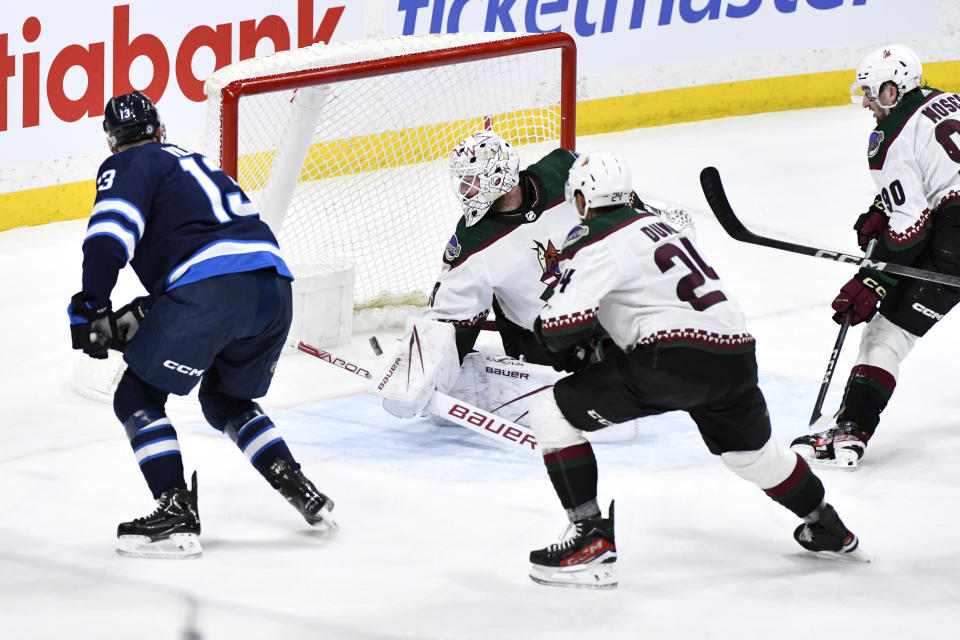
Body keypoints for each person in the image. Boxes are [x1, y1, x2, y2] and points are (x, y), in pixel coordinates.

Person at [525, 152, 867, 589]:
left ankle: (588, 538)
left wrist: (548, 334)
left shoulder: (594, 238)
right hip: (735, 358)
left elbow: (561, 325)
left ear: (580, 200)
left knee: (551, 413)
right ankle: (827, 526)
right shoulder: (663, 227)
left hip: (668, 359)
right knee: (753, 455)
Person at [67, 91, 336, 558]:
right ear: (160, 129)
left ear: (112, 143)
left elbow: (109, 238)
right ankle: (295, 482)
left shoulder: (128, 165)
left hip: (211, 291)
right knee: (226, 399)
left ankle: (174, 510)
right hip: (273, 286)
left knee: (136, 395)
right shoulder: (195, 159)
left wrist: (91, 306)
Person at [791, 44, 960, 470]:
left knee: (886, 336)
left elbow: (912, 226)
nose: (866, 103)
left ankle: (849, 433)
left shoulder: (889, 137)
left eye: (870, 93)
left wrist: (873, 278)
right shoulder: (948, 100)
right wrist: (883, 206)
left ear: (891, 90)